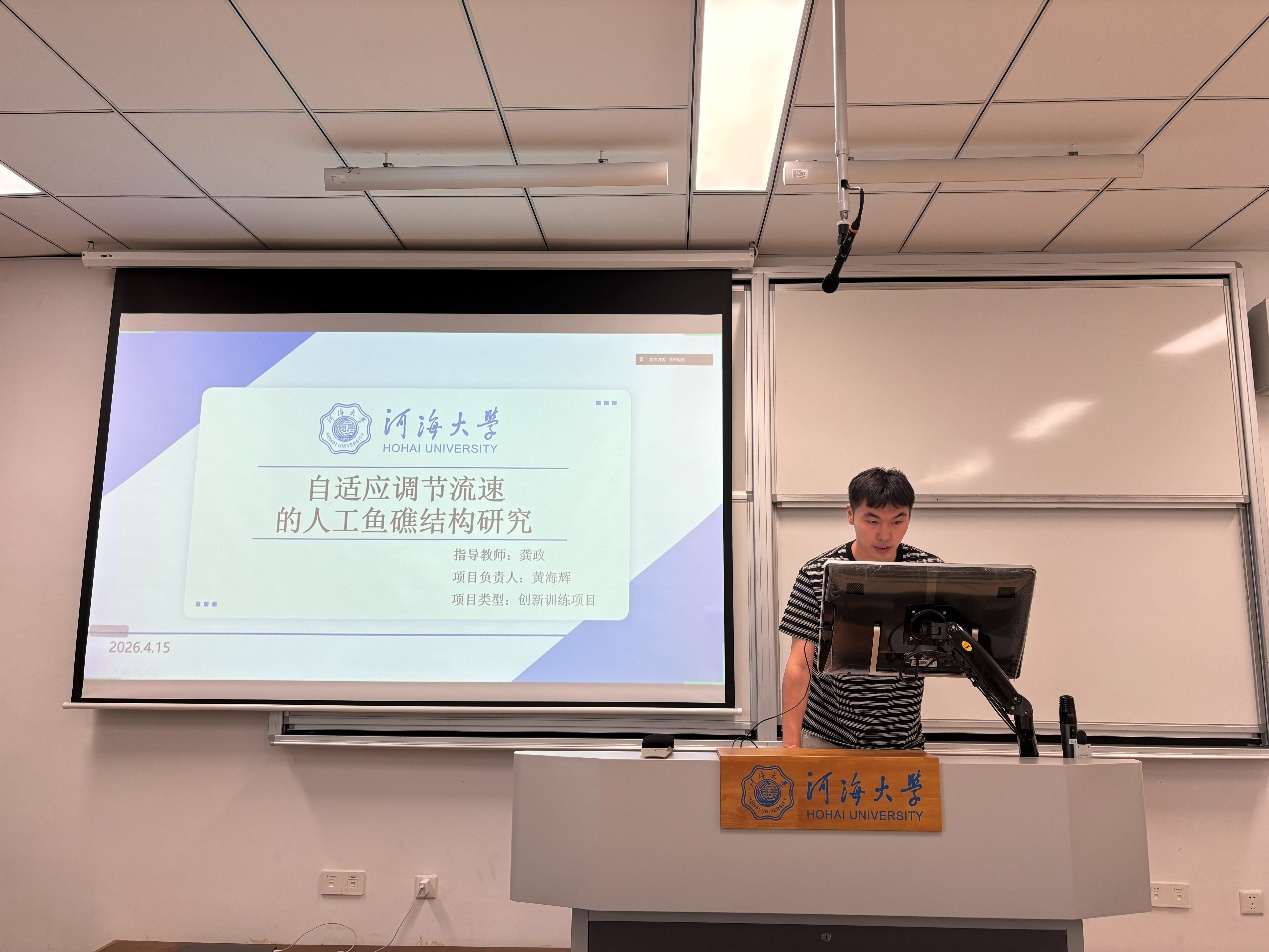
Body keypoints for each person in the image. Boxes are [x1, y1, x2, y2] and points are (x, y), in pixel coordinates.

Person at [779, 467, 941, 749]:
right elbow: (800, 664)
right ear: (851, 514)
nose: (885, 534)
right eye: (872, 520)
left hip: (903, 741)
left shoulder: (929, 572)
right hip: (828, 737)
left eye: (897, 521)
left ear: (909, 517)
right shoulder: (817, 573)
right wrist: (791, 747)